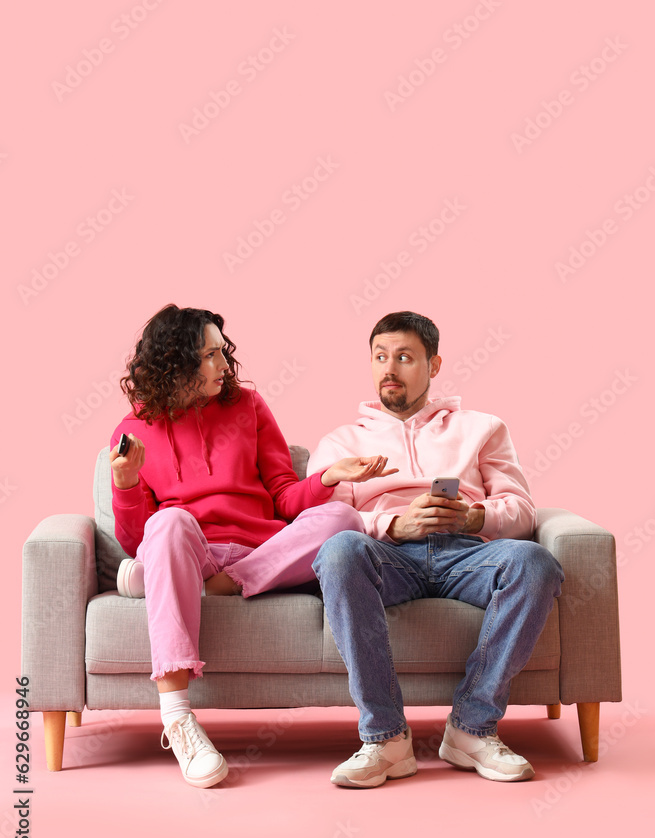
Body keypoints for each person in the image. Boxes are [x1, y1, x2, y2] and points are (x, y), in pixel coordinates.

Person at [110, 304, 395, 789]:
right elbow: (139, 537)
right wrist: (124, 483)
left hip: (259, 552)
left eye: (224, 352)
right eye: (210, 355)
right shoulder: (132, 431)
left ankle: (206, 584)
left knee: (344, 518)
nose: (225, 365)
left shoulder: (249, 406)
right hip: (188, 546)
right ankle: (178, 718)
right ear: (177, 363)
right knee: (169, 523)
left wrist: (328, 477)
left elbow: (285, 497)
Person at [308, 310, 564, 787]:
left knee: (535, 561)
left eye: (404, 357)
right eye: (380, 357)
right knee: (340, 550)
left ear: (434, 364)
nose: (390, 368)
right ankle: (385, 740)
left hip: (469, 552)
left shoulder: (482, 428)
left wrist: (476, 516)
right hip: (387, 556)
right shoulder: (342, 442)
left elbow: (523, 509)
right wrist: (393, 524)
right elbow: (323, 523)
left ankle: (471, 728)